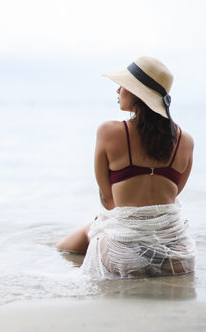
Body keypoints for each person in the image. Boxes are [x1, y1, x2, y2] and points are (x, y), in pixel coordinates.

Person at [56, 56, 195, 278]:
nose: (118, 90)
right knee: (100, 227)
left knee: (89, 230)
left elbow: (108, 200)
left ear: (138, 95)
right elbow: (174, 193)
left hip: (125, 252)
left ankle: (53, 245)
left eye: (124, 85)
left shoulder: (108, 131)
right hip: (178, 253)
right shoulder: (185, 140)